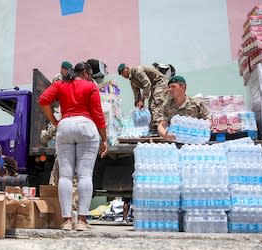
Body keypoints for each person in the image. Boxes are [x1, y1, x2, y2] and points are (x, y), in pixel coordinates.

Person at [39, 62, 108, 231]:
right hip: (86, 126)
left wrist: (55, 122)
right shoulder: (90, 86)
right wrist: (104, 139)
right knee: (84, 176)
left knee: (65, 177)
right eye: (90, 74)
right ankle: (82, 221)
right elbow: (98, 114)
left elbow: (43, 100)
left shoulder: (60, 84)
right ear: (85, 73)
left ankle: (67, 221)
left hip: (65, 127)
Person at [117, 63, 167, 133]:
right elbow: (136, 94)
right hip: (153, 86)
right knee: (150, 105)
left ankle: (158, 127)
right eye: (121, 75)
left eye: (122, 73)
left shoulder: (137, 71)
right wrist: (138, 104)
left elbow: (147, 84)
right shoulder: (132, 81)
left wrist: (142, 100)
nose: (123, 76)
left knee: (155, 103)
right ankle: (154, 126)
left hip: (160, 82)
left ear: (127, 69)